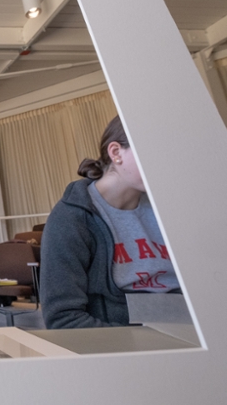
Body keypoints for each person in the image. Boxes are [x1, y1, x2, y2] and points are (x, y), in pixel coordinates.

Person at [40, 115, 180, 329]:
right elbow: (64, 319)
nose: (163, 163)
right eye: (151, 151)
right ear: (116, 153)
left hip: (192, 333)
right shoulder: (72, 218)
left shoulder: (171, 207)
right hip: (128, 346)